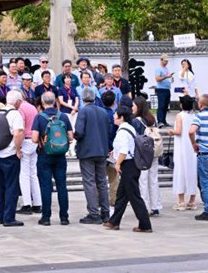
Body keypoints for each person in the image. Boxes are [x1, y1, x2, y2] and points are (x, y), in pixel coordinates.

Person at [102, 106, 153, 232]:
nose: (113, 116)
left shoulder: (123, 132)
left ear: (121, 117)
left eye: (115, 114)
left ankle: (145, 224)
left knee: (134, 196)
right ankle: (114, 221)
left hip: (128, 165)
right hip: (132, 164)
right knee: (122, 195)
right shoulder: (129, 128)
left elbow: (124, 151)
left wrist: (118, 163)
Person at [33, 91, 73, 225]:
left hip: (45, 154)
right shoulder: (63, 116)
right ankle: (64, 217)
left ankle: (46, 217)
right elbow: (71, 136)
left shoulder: (39, 117)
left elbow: (33, 138)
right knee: (62, 186)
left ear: (43, 102)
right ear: (55, 101)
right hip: (60, 155)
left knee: (46, 186)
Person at [74, 86, 111, 224]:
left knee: (89, 182)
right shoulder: (103, 112)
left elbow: (79, 132)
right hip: (102, 150)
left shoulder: (83, 112)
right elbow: (108, 130)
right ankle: (105, 212)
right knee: (102, 181)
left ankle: (94, 213)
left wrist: (75, 137)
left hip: (87, 151)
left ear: (83, 99)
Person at [0, 91, 26, 227]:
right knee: (11, 186)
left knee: (0, 186)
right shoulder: (15, 114)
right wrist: (18, 150)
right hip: (9, 154)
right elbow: (18, 133)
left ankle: (1, 216)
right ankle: (9, 218)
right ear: (17, 102)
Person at [167, 94, 198, 210]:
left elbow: (179, 131)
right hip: (192, 145)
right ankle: (192, 200)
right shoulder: (194, 116)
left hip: (182, 146)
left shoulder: (180, 116)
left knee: (180, 170)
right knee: (192, 171)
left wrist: (171, 131)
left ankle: (181, 201)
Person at [132, 97, 162, 216]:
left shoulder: (136, 121)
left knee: (143, 180)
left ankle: (145, 206)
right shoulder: (151, 119)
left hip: (142, 153)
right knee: (153, 179)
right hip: (154, 151)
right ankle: (156, 206)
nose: (132, 108)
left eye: (133, 106)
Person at [17, 89, 41, 213]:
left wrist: (18, 147)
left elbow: (20, 129)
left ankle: (27, 203)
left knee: (24, 174)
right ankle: (37, 203)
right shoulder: (32, 107)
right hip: (33, 140)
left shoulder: (21, 109)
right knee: (33, 173)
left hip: (26, 140)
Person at [154, 54, 173, 128]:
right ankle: (160, 121)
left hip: (167, 88)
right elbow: (157, 79)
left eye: (167, 61)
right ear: (161, 60)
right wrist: (166, 77)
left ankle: (164, 120)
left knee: (166, 106)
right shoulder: (158, 69)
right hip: (161, 89)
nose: (166, 62)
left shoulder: (167, 69)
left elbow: (167, 77)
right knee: (161, 105)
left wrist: (170, 78)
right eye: (165, 61)